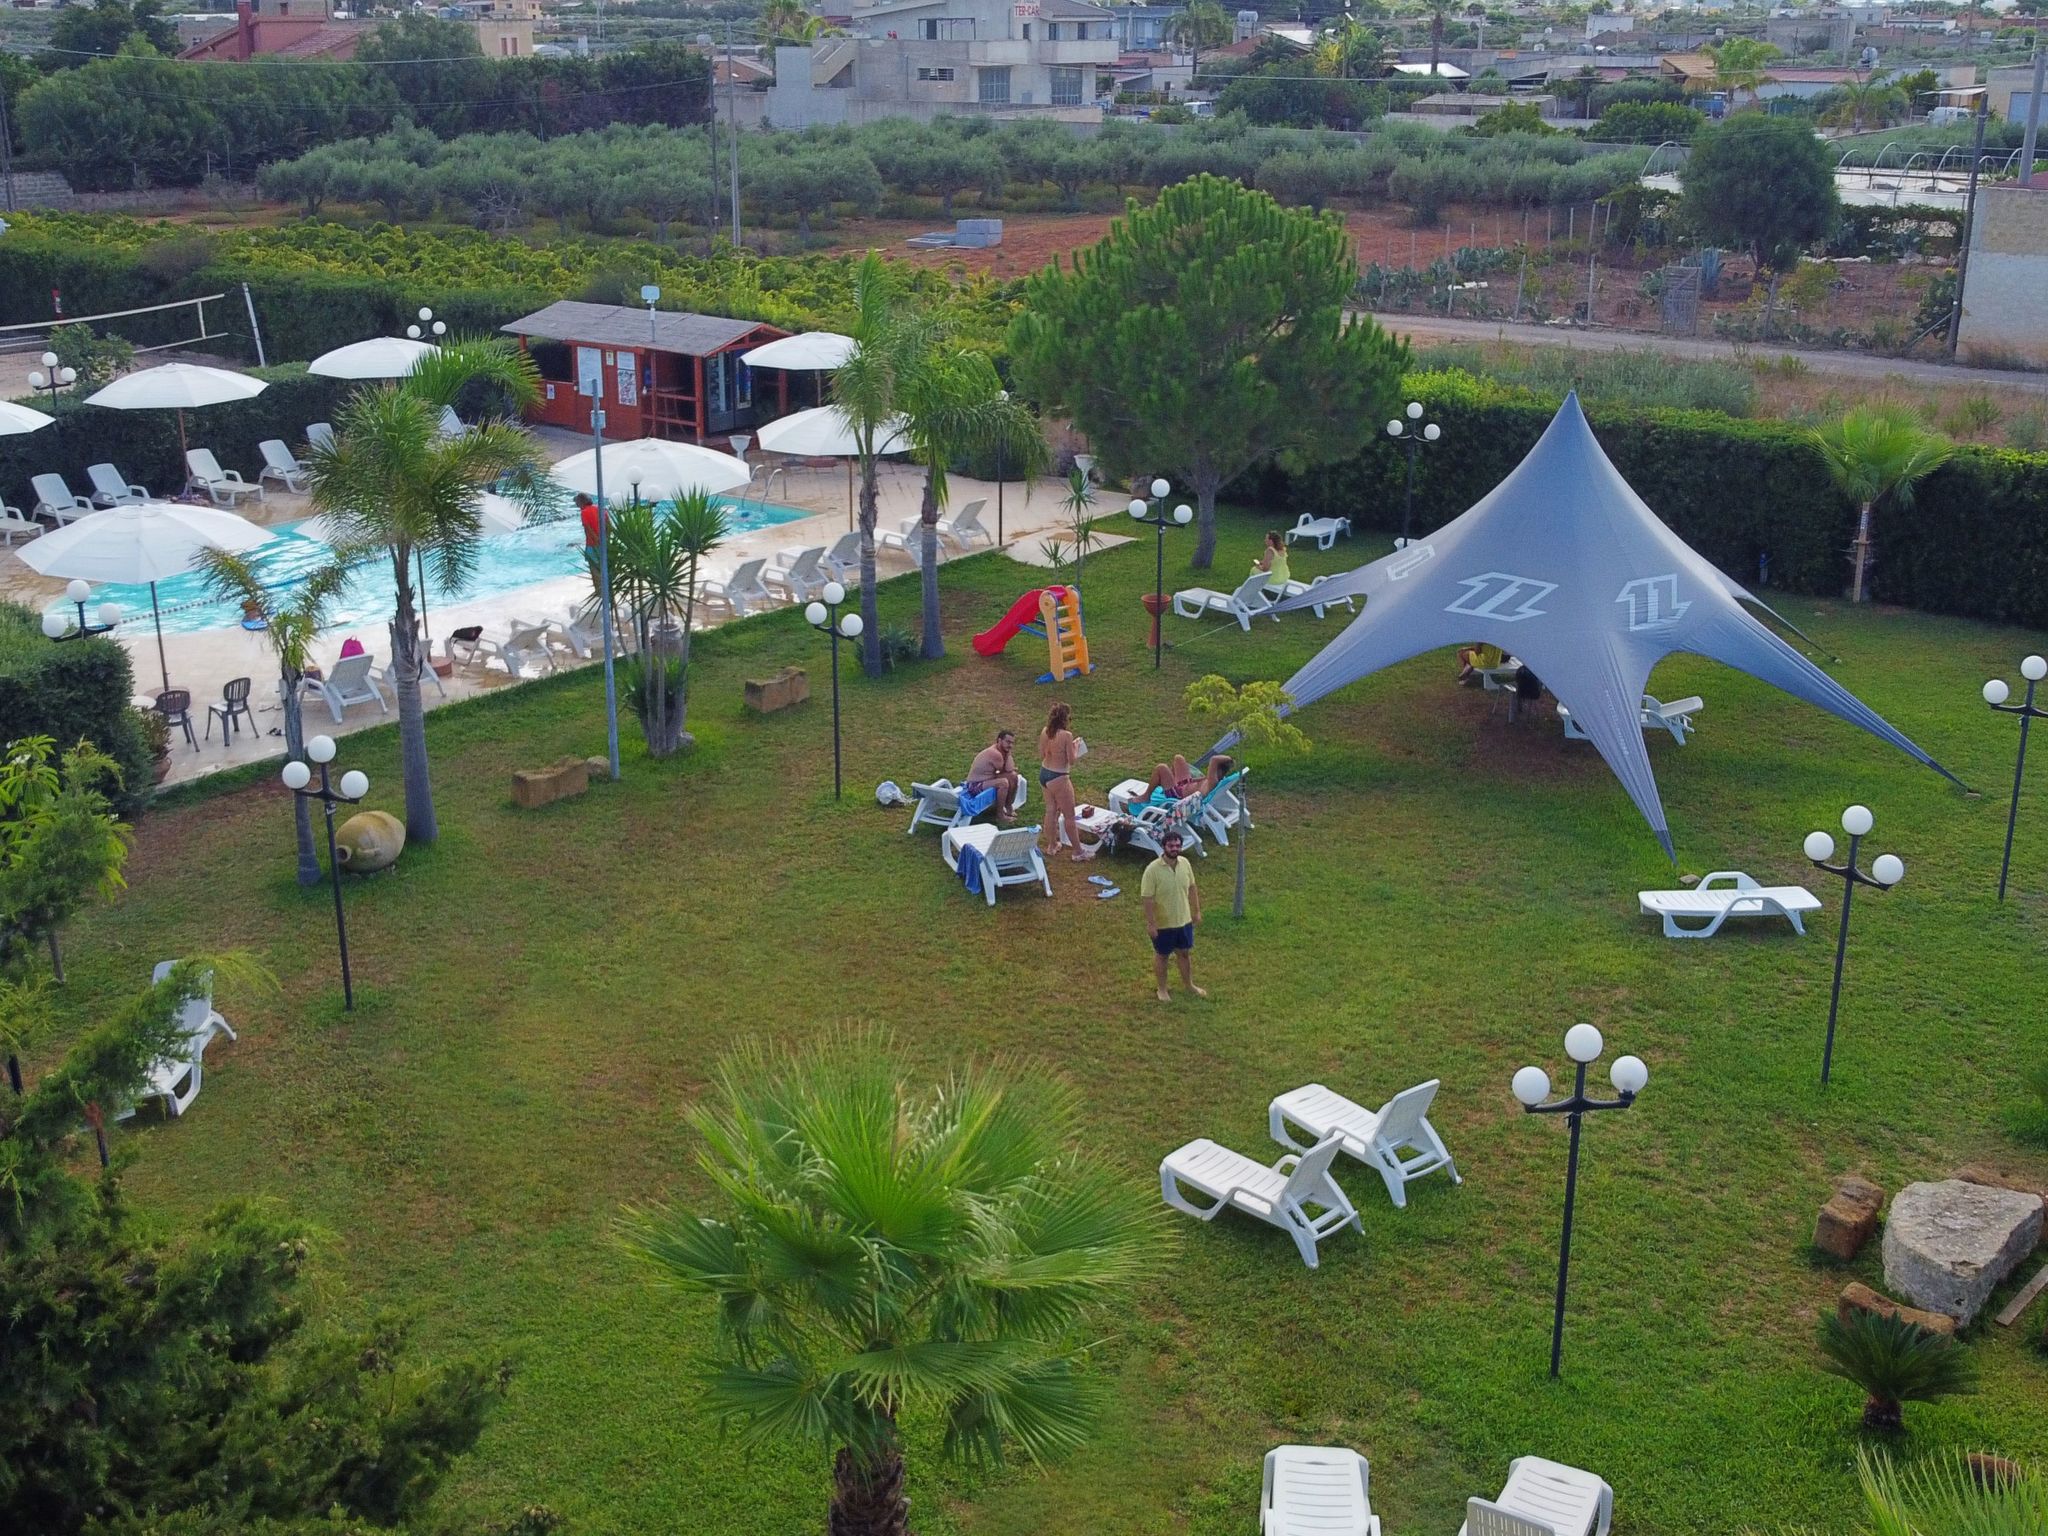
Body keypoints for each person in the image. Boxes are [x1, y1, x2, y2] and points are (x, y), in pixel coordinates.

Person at [1142, 829, 1205, 1003]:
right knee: (1162, 956)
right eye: (1171, 846)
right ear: (1164, 847)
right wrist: (1151, 923)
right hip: (1163, 923)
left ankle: (1189, 985)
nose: (1174, 848)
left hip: (1183, 921)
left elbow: (1192, 888)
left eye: (1178, 845)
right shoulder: (1152, 870)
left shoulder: (1185, 863)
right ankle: (1161, 989)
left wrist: (1196, 911)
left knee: (1184, 954)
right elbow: (1147, 899)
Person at [1038, 703, 1083, 860]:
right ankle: (1078, 852)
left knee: (1050, 810)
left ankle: (1051, 845)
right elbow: (1071, 760)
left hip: (1044, 773)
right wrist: (1075, 747)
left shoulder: (1045, 732)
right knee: (1069, 815)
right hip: (1059, 776)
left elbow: (1042, 754)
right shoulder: (1066, 736)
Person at [964, 728, 1020, 822]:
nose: (1010, 745)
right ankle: (1000, 815)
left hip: (985, 780)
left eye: (1012, 743)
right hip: (974, 785)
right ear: (999, 740)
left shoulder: (1000, 751)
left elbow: (1009, 771)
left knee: (1013, 776)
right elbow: (1008, 769)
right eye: (1008, 742)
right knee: (1003, 783)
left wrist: (1007, 752)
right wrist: (1009, 753)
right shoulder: (995, 753)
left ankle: (1008, 806)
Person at [1144, 752, 1234, 802]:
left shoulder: (1213, 782)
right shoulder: (1214, 778)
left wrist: (1230, 759)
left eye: (1212, 768)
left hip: (1178, 795)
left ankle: (1146, 796)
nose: (1209, 768)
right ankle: (1166, 782)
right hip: (1186, 783)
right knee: (1178, 758)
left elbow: (1214, 759)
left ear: (1219, 771)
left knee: (1161, 767)